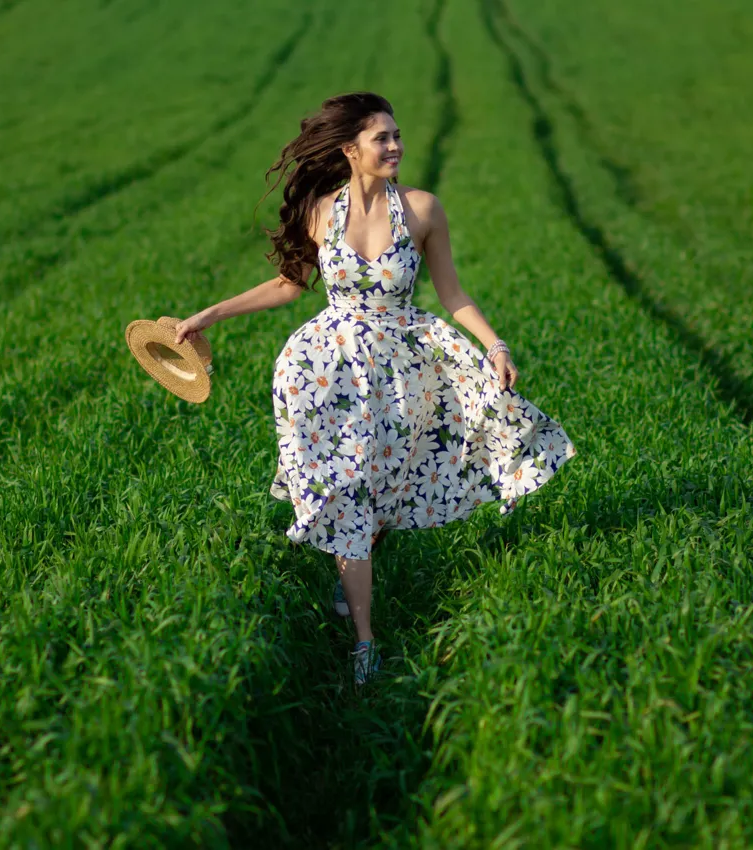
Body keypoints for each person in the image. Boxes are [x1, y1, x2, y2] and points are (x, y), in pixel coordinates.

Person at [173, 92, 576, 686]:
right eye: (381, 138)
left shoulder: (422, 210)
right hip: (326, 371)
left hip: (402, 370)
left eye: (396, 136)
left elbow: (453, 295)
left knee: (382, 488)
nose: (395, 147)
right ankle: (364, 642)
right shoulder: (319, 209)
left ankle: (352, 572)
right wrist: (211, 313)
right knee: (346, 487)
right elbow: (288, 286)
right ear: (349, 149)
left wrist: (496, 346)